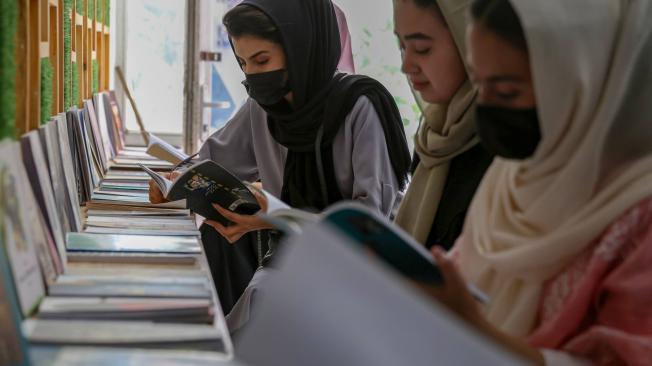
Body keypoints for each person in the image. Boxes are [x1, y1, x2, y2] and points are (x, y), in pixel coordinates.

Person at [426, 0, 652, 364]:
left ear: (584, 84)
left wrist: (473, 328)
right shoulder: (513, 175)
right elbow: (470, 269)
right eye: (479, 84)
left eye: (507, 92)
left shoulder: (640, 215)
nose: (487, 108)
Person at [150, 0, 411, 315]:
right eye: (243, 64)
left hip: (357, 281)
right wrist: (173, 183)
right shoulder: (263, 108)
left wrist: (273, 219)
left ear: (300, 48)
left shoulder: (359, 107)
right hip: (286, 268)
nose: (253, 77)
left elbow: (369, 227)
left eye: (262, 60)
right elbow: (213, 160)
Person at [392, 0, 494, 250]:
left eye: (421, 48)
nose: (406, 66)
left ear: (468, 42)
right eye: (402, 46)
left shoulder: (502, 140)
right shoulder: (434, 131)